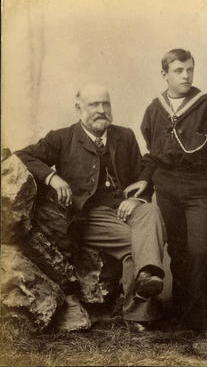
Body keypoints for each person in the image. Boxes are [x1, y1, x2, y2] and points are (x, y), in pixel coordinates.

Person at [15, 83, 166, 333]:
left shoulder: (125, 136)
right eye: (94, 105)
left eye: (105, 104)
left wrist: (137, 196)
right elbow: (23, 155)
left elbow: (143, 170)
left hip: (124, 209)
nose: (101, 110)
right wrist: (52, 178)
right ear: (78, 108)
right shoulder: (62, 138)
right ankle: (140, 313)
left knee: (151, 211)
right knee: (137, 242)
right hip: (88, 217)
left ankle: (146, 282)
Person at [124, 48, 207, 333]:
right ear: (164, 75)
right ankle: (180, 317)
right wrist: (146, 179)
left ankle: (202, 321)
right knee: (178, 252)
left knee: (199, 250)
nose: (185, 75)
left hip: (198, 189)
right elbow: (153, 153)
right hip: (166, 188)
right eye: (179, 70)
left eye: (189, 69)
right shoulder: (154, 109)